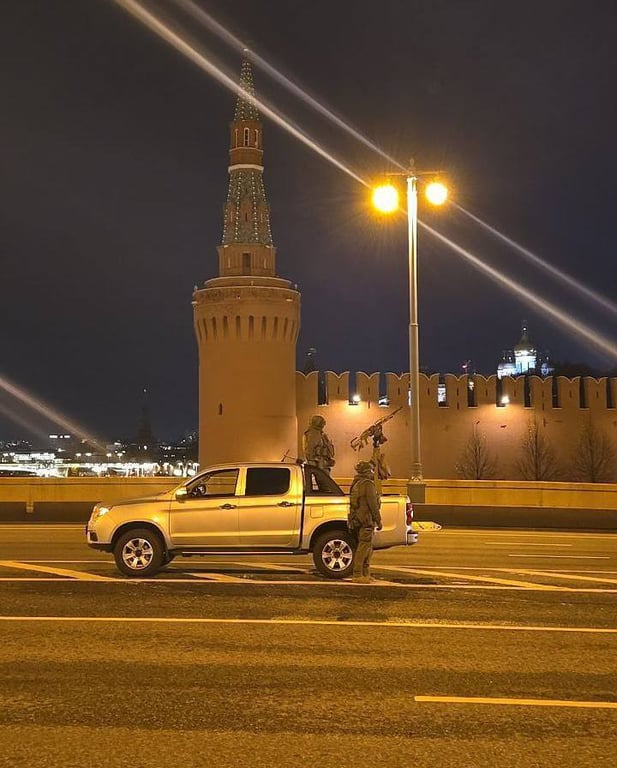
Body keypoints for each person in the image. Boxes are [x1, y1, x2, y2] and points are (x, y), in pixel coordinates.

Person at [348, 460, 382, 583]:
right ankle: (358, 574)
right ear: (368, 471)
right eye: (372, 470)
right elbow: (373, 505)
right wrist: (378, 520)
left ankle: (365, 574)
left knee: (366, 546)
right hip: (366, 520)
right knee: (364, 547)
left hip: (357, 519)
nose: (373, 472)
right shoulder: (368, 485)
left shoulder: (356, 483)